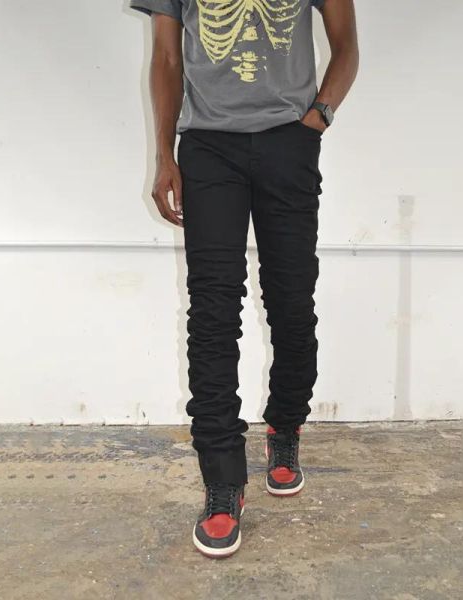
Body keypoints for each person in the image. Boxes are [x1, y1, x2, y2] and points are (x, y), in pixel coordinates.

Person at [130, 0, 359, 558]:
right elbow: (166, 58)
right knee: (212, 313)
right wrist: (165, 154)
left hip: (289, 142)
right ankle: (222, 479)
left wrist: (317, 119)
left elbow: (346, 46)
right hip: (209, 148)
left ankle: (286, 424)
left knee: (291, 301)